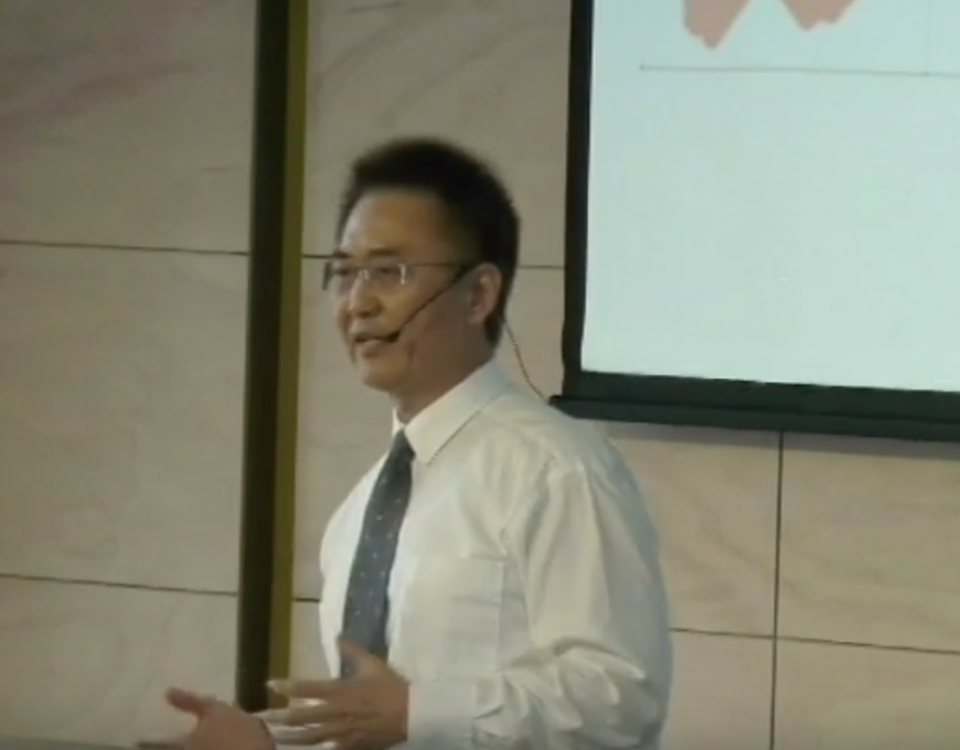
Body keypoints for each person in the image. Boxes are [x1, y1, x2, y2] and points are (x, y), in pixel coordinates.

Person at [151, 137, 673, 749]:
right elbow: (373, 721)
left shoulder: (558, 470)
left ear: (478, 295)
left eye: (389, 272)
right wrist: (264, 742)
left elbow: (619, 698)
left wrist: (421, 711)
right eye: (344, 273)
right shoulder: (361, 508)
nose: (358, 303)